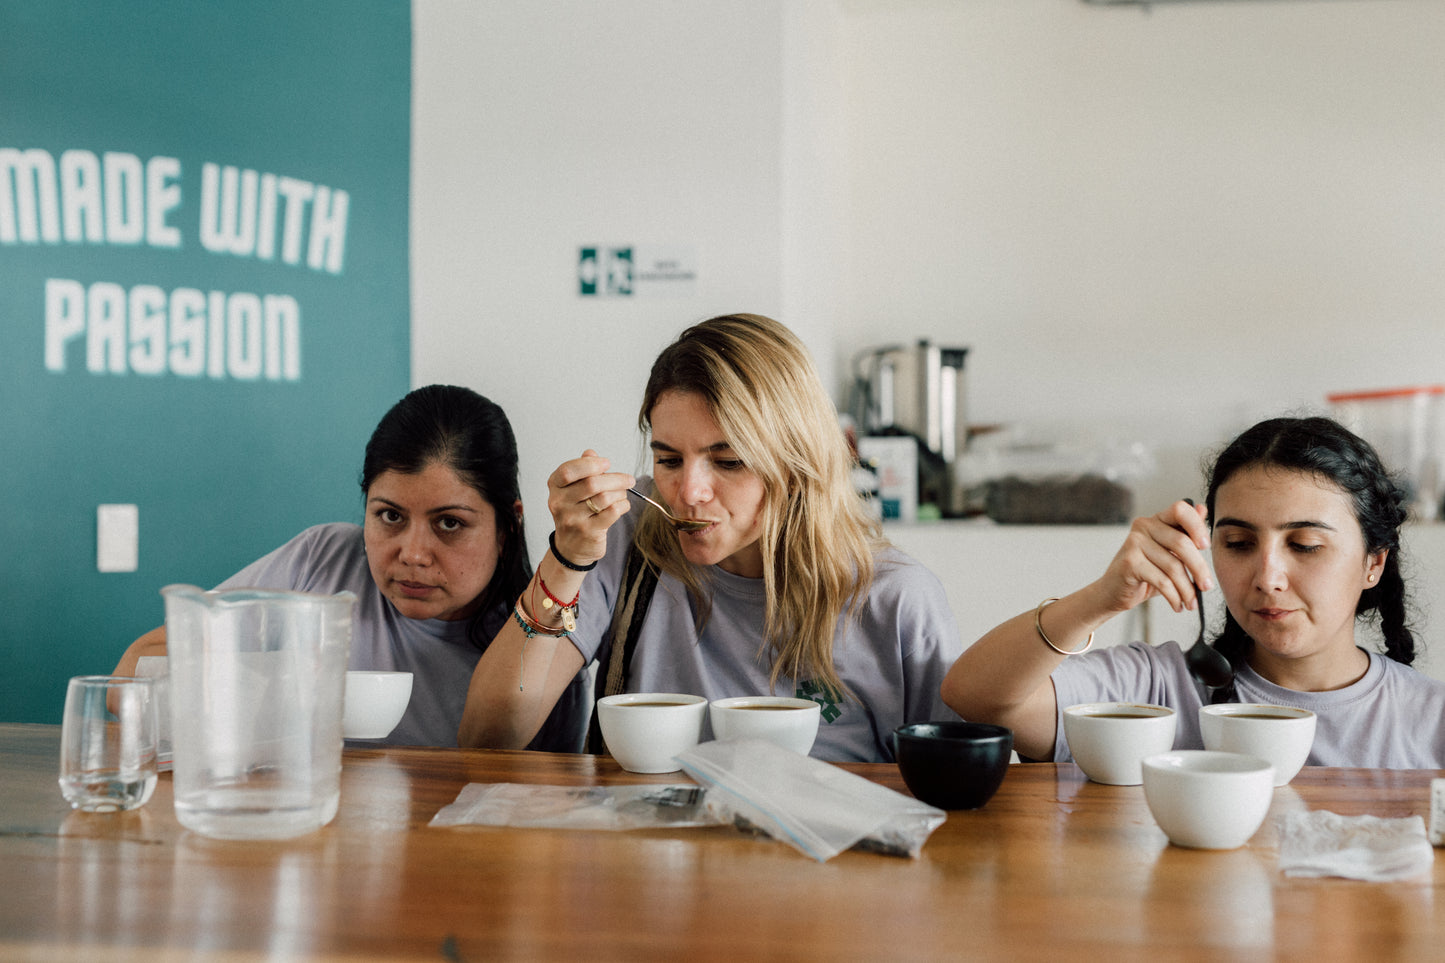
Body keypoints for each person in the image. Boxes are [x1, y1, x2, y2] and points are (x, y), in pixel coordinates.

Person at [457, 314, 962, 762]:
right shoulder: (627, 534)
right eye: (668, 459)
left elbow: (950, 792)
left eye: (729, 461)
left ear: (798, 464)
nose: (689, 493)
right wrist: (566, 561)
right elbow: (489, 737)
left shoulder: (895, 599)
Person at [941, 415, 1445, 769]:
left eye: (1306, 545)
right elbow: (976, 698)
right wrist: (1101, 598)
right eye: (1239, 543)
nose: (1267, 577)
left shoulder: (1430, 721)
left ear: (1373, 563)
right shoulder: (1158, 689)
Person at [114, 385, 590, 750]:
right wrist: (289, 686)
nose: (412, 553)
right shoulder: (324, 561)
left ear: (508, 524)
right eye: (389, 516)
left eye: (449, 523)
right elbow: (132, 675)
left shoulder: (546, 635)